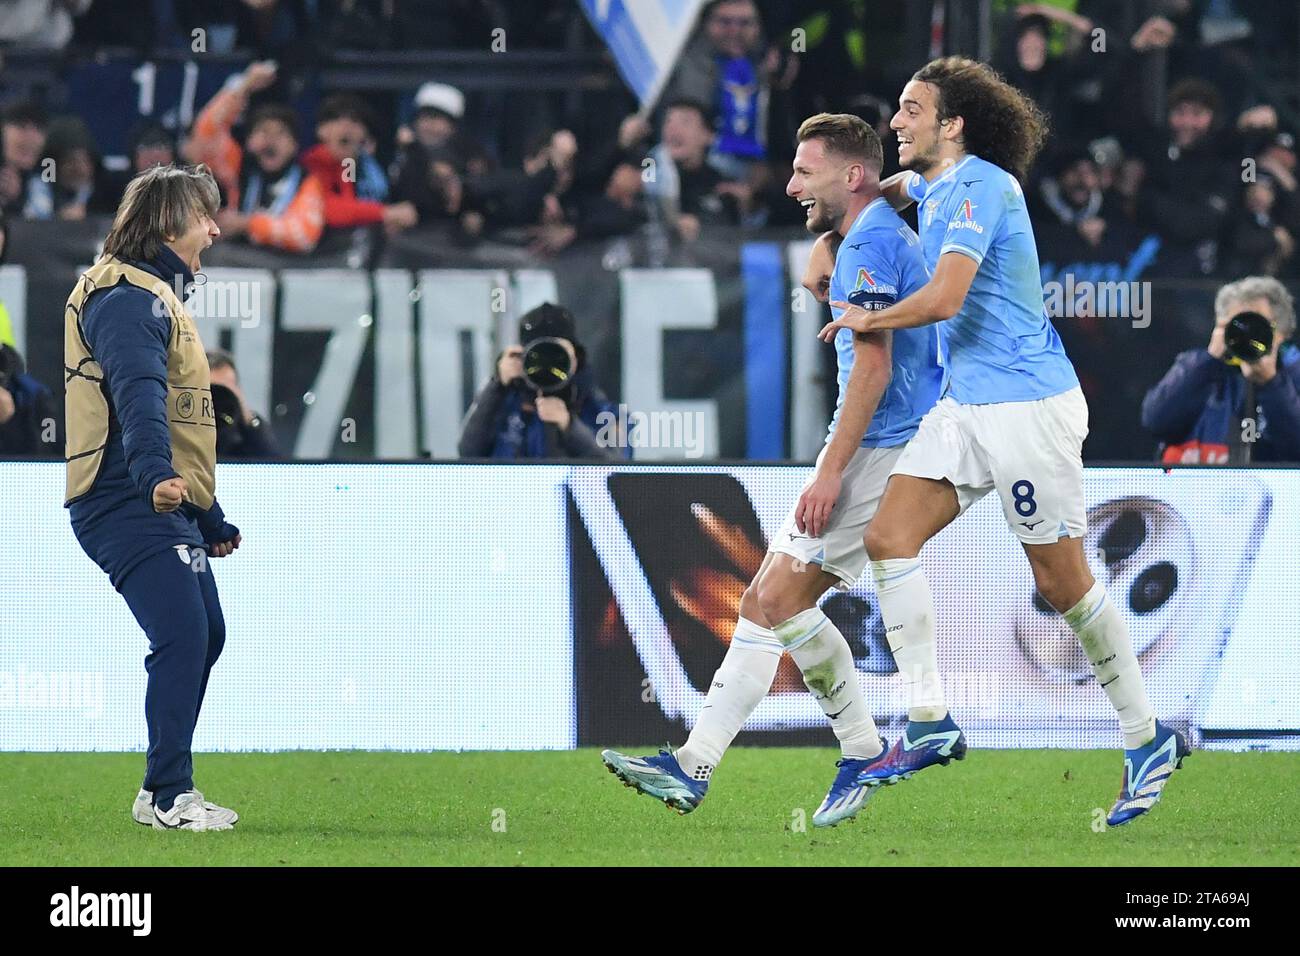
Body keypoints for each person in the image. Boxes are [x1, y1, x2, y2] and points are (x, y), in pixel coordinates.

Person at [819, 57, 1185, 828]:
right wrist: (850, 213)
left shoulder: (986, 186)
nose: (896, 123)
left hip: (1027, 410)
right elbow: (896, 193)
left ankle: (1146, 736)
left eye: (911, 109)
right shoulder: (934, 184)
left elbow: (947, 295)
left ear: (951, 125)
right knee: (889, 538)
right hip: (966, 409)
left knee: (1061, 585)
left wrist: (866, 317)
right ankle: (928, 721)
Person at [600, 113, 945, 827]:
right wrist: (830, 237)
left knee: (780, 600)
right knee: (765, 602)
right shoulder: (865, 232)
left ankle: (859, 748)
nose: (789, 185)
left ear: (850, 176)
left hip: (883, 444)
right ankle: (696, 766)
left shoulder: (871, 242)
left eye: (805, 171)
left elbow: (873, 369)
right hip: (880, 440)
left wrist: (831, 472)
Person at [63, 164, 242, 831]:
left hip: (157, 497)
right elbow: (136, 397)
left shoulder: (149, 296)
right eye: (205, 216)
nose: (216, 230)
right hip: (124, 496)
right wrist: (153, 475)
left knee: (205, 633)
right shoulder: (127, 298)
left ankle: (160, 788)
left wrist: (208, 515)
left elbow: (175, 411)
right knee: (183, 631)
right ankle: (169, 796)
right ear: (170, 223)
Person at [1141, 276, 1300, 463]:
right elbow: (1156, 421)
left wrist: (1271, 384)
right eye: (1238, 324)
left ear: (1281, 333)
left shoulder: (1293, 376)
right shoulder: (1195, 368)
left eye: (1256, 326)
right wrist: (1209, 361)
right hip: (1191, 488)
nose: (1246, 334)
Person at [185, 61, 326, 254]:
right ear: (249, 141)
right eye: (262, 131)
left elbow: (304, 236)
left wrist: (247, 224)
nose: (271, 139)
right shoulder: (237, 167)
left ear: (294, 146)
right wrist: (243, 85)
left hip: (285, 272)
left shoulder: (308, 182)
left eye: (281, 133)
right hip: (239, 271)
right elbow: (205, 133)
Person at [457, 303, 623, 460]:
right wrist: (497, 385)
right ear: (521, 356)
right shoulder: (503, 403)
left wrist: (569, 426)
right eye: (537, 354)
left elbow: (617, 466)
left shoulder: (599, 410)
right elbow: (468, 451)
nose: (548, 363)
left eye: (558, 354)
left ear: (576, 357)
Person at [207, 348, 282, 459]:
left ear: (237, 390)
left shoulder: (245, 426)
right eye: (211, 390)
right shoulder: (181, 425)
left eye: (224, 390)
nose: (217, 396)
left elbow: (273, 463)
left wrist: (247, 419)